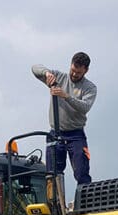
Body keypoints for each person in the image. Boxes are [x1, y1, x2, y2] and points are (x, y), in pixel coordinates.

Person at [32, 52, 97, 185]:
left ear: (86, 71)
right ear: (71, 65)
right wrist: (46, 73)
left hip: (76, 135)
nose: (74, 74)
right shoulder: (59, 77)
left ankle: (85, 196)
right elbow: (35, 68)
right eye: (73, 70)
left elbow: (85, 107)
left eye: (78, 72)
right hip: (55, 133)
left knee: (82, 172)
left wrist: (66, 96)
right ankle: (55, 198)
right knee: (52, 174)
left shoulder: (90, 88)